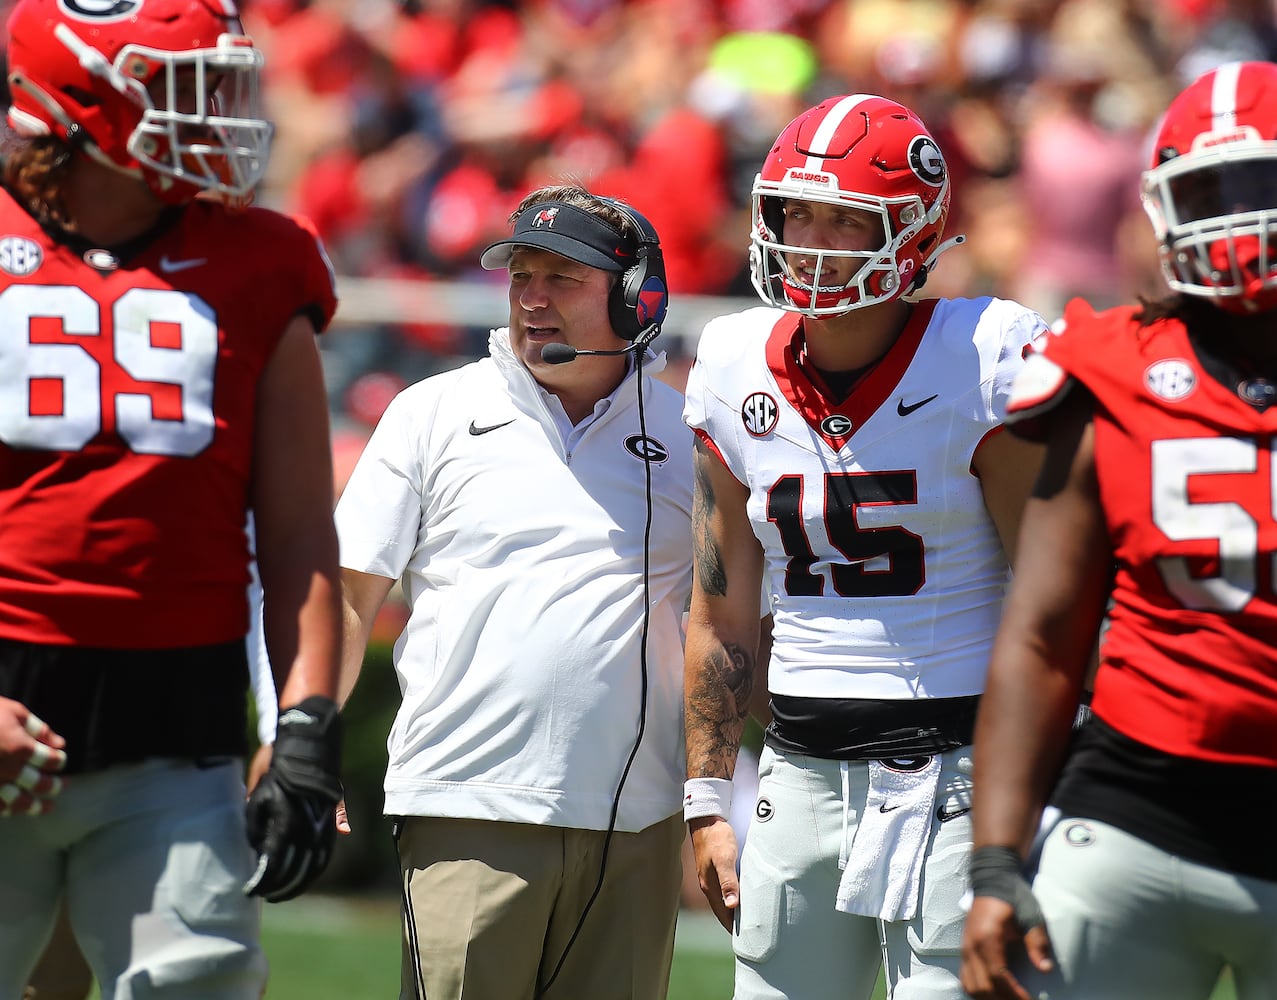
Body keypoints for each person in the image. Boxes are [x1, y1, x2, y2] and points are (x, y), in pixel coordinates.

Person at [0, 0, 346, 995]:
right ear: (79, 97)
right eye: (177, 87)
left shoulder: (258, 260)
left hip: (177, 723)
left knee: (196, 980)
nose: (215, 113)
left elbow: (295, 535)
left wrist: (307, 725)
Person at [680, 93, 1049, 1000]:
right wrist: (705, 801)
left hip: (959, 776)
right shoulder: (730, 361)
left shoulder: (983, 355)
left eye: (847, 220)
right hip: (797, 773)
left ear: (916, 234)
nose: (809, 240)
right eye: (792, 212)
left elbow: (1052, 599)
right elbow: (721, 609)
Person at [961, 59, 1277, 1000]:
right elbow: (1042, 632)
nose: (1238, 224)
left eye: (1259, 188)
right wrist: (994, 863)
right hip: (1135, 816)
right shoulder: (1105, 365)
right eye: (1209, 195)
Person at [334, 183, 694, 1000]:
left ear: (639, 296)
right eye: (520, 276)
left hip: (634, 826)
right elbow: (349, 598)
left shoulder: (688, 436)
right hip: (465, 808)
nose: (532, 300)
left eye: (562, 279)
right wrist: (308, 737)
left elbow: (729, 622)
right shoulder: (431, 412)